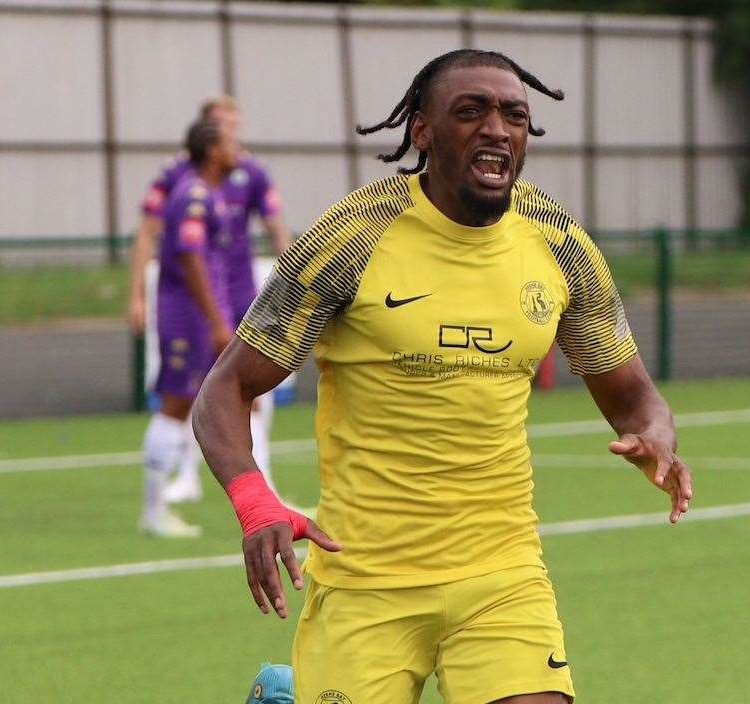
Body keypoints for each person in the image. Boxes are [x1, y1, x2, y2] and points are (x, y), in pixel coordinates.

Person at [193, 49, 693, 703]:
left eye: (513, 114)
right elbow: (224, 390)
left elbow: (633, 396)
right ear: (422, 132)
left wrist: (654, 435)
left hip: (502, 571)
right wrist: (256, 505)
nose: (496, 127)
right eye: (471, 111)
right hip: (364, 578)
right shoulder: (351, 238)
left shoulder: (559, 243)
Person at [128, 96, 291, 503]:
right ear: (209, 139)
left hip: (234, 292)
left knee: (249, 386)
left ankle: (261, 487)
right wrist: (137, 295)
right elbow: (172, 245)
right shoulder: (185, 184)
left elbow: (275, 223)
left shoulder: (247, 173)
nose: (237, 139)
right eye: (227, 130)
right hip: (193, 303)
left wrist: (293, 276)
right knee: (183, 395)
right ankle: (173, 488)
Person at [139, 120, 236, 538]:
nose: (239, 151)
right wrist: (215, 321)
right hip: (187, 319)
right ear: (213, 150)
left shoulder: (206, 193)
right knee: (175, 405)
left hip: (198, 316)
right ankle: (153, 512)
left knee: (202, 403)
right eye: (232, 143)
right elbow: (192, 258)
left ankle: (173, 497)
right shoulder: (195, 195)